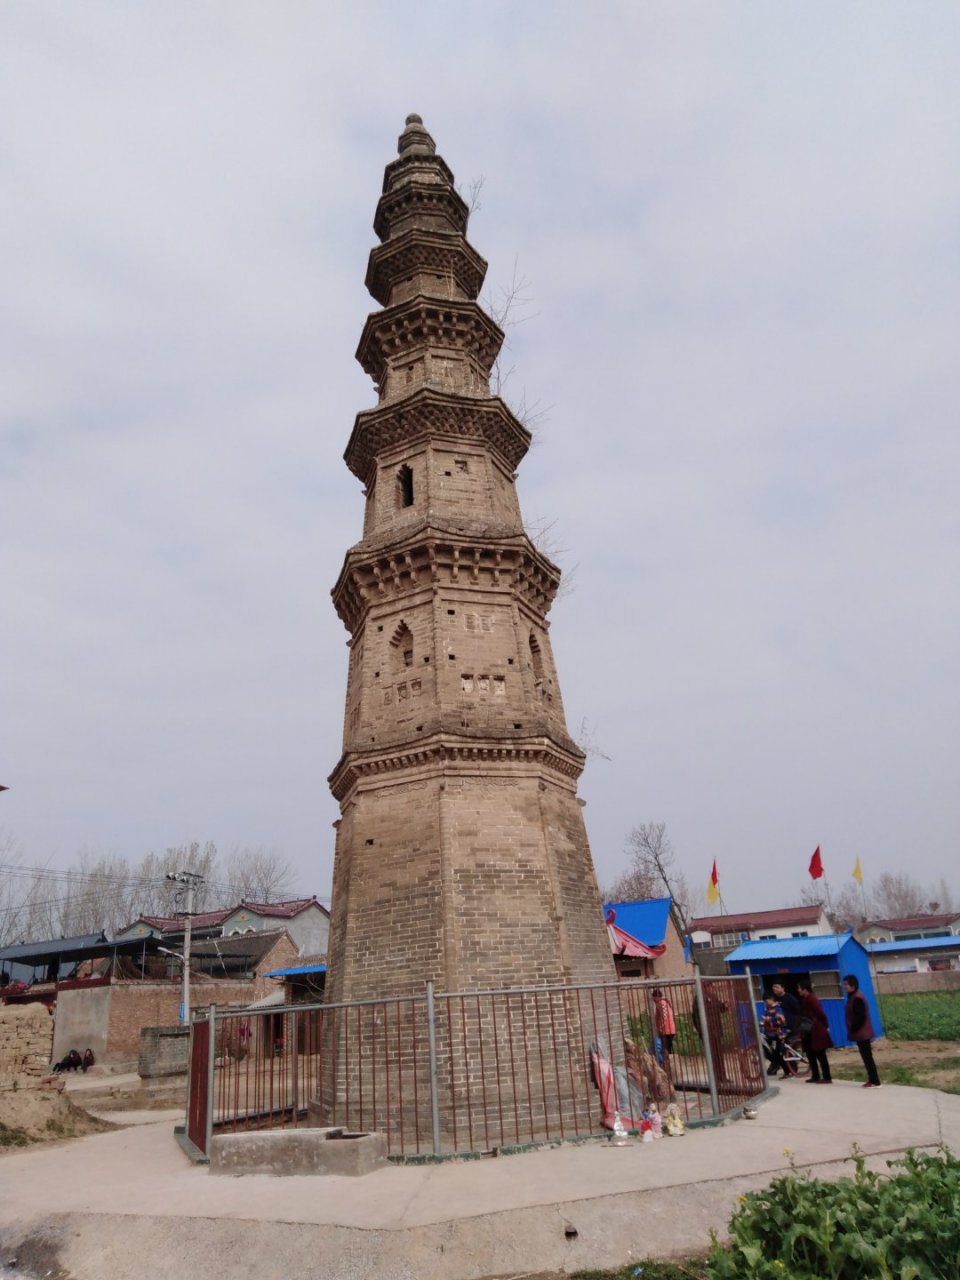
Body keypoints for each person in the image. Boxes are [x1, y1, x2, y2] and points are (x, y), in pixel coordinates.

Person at [844, 974, 881, 1088]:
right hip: (861, 1032)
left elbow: (860, 1017)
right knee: (866, 1057)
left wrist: (853, 1028)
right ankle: (873, 1080)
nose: (844, 986)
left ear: (853, 985)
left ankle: (875, 1081)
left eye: (846, 984)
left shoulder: (857, 998)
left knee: (867, 1057)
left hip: (862, 1032)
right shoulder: (853, 996)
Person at [796, 981, 832, 1083]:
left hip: (816, 1029)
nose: (798, 990)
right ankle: (815, 1075)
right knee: (810, 1054)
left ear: (805, 989)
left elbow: (821, 1014)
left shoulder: (812, 999)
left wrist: (826, 1026)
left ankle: (827, 1077)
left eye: (799, 988)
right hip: (809, 1030)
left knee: (820, 1054)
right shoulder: (805, 999)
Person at [760, 995, 791, 1078]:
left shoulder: (778, 1007)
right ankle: (776, 1064)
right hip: (769, 1033)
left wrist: (768, 1019)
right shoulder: (768, 1009)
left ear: (771, 999)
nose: (765, 1003)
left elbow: (780, 1019)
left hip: (779, 1033)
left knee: (777, 1054)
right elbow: (765, 1019)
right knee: (767, 1051)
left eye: (766, 1001)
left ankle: (787, 1071)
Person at [651, 988, 677, 1056]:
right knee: (668, 1048)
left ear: (657, 997)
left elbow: (664, 1016)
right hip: (670, 1029)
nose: (653, 1000)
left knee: (665, 1049)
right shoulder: (665, 1002)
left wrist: (660, 1028)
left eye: (654, 998)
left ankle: (667, 1063)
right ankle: (669, 1062)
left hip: (667, 1030)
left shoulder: (661, 1003)